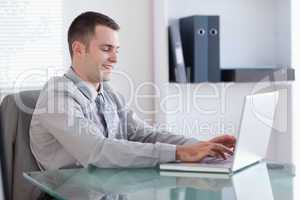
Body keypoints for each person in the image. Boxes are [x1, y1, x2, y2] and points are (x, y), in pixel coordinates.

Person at [29, 11, 236, 170]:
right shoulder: (57, 95)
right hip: (67, 193)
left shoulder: (108, 94)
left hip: (107, 188)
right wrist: (179, 153)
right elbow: (97, 150)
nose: (115, 59)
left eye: (116, 50)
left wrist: (200, 146)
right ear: (78, 49)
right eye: (106, 49)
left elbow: (142, 134)